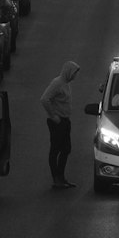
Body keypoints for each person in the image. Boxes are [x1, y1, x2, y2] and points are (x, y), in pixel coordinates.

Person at [40, 60, 80, 188]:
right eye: (74, 73)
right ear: (68, 72)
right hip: (57, 122)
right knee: (55, 150)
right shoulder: (57, 83)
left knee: (66, 149)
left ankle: (61, 177)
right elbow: (45, 99)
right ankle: (56, 178)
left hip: (65, 120)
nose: (75, 76)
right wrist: (53, 115)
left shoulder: (66, 84)